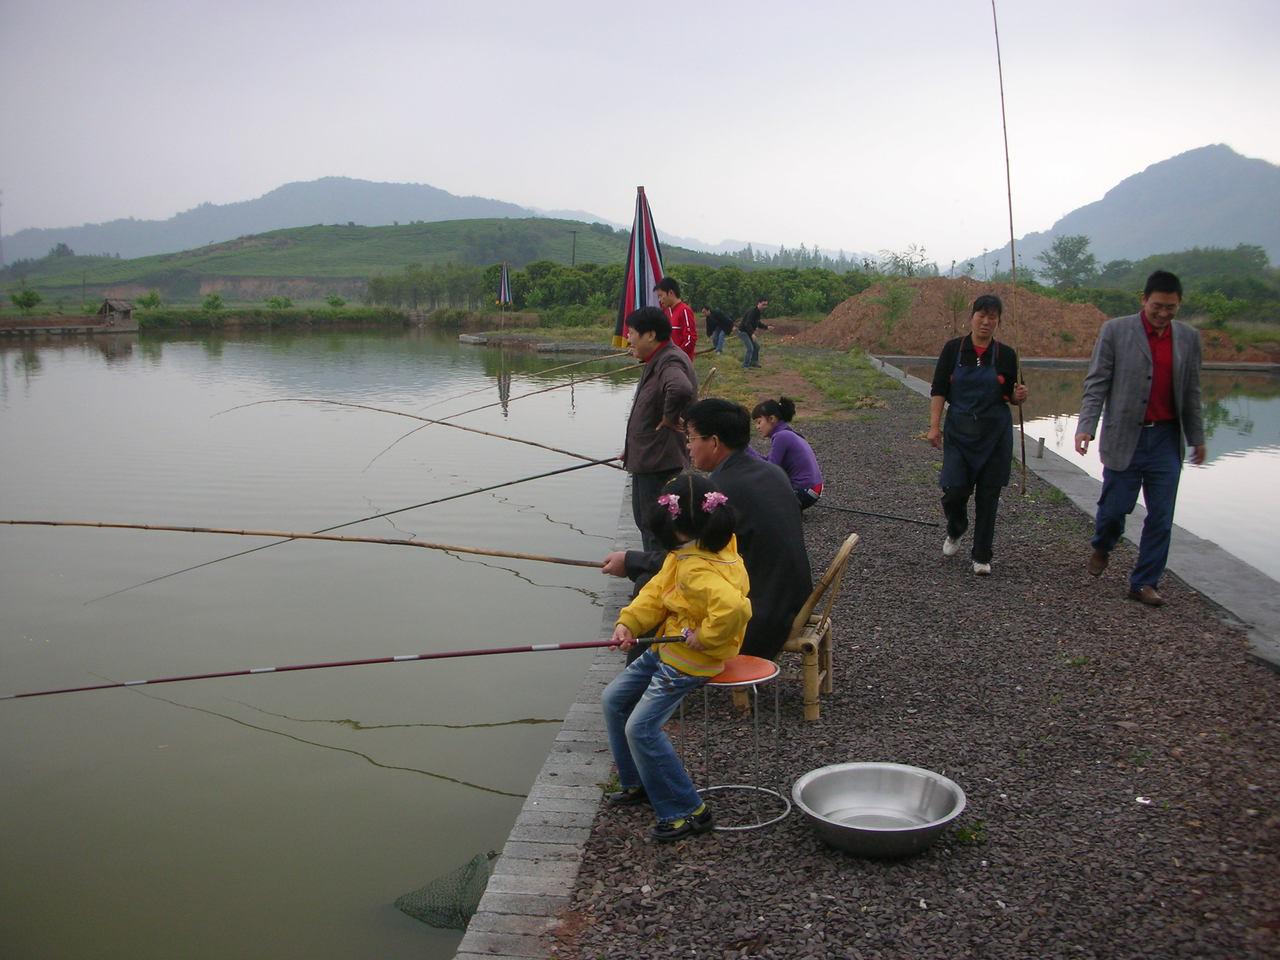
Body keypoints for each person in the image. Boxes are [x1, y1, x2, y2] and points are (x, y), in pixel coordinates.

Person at [602, 472, 751, 842]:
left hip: (692, 660)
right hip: (667, 648)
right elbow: (656, 591)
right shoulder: (687, 553)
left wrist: (706, 637)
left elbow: (735, 608)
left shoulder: (698, 567)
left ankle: (687, 810)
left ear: (679, 527)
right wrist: (628, 622)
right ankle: (638, 782)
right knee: (614, 700)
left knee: (641, 728)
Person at [604, 398, 812, 660]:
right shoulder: (771, 471)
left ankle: (646, 680)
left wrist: (629, 561)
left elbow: (687, 559)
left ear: (714, 442)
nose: (688, 447)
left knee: (651, 584)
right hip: (793, 602)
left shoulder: (718, 495)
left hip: (757, 619)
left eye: (691, 438)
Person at [1074, 270, 1205, 607]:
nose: (1163, 313)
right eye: (1157, 306)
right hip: (1124, 437)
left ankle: (1144, 582)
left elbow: (1192, 391)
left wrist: (1197, 438)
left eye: (1170, 307)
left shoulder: (1188, 338)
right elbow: (1097, 383)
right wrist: (1086, 426)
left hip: (1166, 439)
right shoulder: (1115, 331)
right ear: (1144, 300)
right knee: (1114, 510)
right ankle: (1103, 545)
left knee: (1161, 516)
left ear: (1179, 304)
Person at [927, 293, 1029, 575]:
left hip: (994, 435)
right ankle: (956, 527)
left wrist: (1020, 396)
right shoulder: (953, 350)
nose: (986, 322)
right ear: (971, 317)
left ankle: (982, 555)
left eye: (992, 317)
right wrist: (934, 426)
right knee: (954, 490)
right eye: (981, 315)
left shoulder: (1007, 355)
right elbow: (939, 389)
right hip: (959, 431)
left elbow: (1013, 396)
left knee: (988, 494)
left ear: (998, 321)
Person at [621, 306, 697, 553]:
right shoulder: (658, 360)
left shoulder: (669, 360)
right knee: (647, 523)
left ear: (651, 335)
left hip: (658, 462)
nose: (628, 339)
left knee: (655, 527)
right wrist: (631, 448)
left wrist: (669, 418)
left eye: (632, 333)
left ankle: (656, 573)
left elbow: (680, 388)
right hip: (649, 457)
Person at [751, 396, 824, 510]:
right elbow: (769, 463)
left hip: (803, 492)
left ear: (772, 419)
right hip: (812, 489)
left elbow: (770, 469)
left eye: (759, 422)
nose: (757, 427)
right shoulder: (788, 433)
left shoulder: (781, 436)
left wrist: (744, 449)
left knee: (755, 500)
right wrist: (747, 450)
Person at [654, 277, 697, 360]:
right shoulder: (666, 312)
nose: (659, 300)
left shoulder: (684, 310)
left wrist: (677, 355)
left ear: (670, 293)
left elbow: (690, 339)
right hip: (668, 360)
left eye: (661, 296)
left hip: (680, 361)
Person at [738, 299, 768, 368]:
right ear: (758, 303)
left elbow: (757, 323)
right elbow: (747, 324)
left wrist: (766, 327)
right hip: (743, 332)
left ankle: (754, 362)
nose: (765, 306)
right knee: (750, 348)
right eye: (763, 304)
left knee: (756, 347)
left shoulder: (758, 312)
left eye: (766, 305)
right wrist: (752, 334)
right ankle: (745, 365)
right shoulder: (752, 312)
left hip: (748, 332)